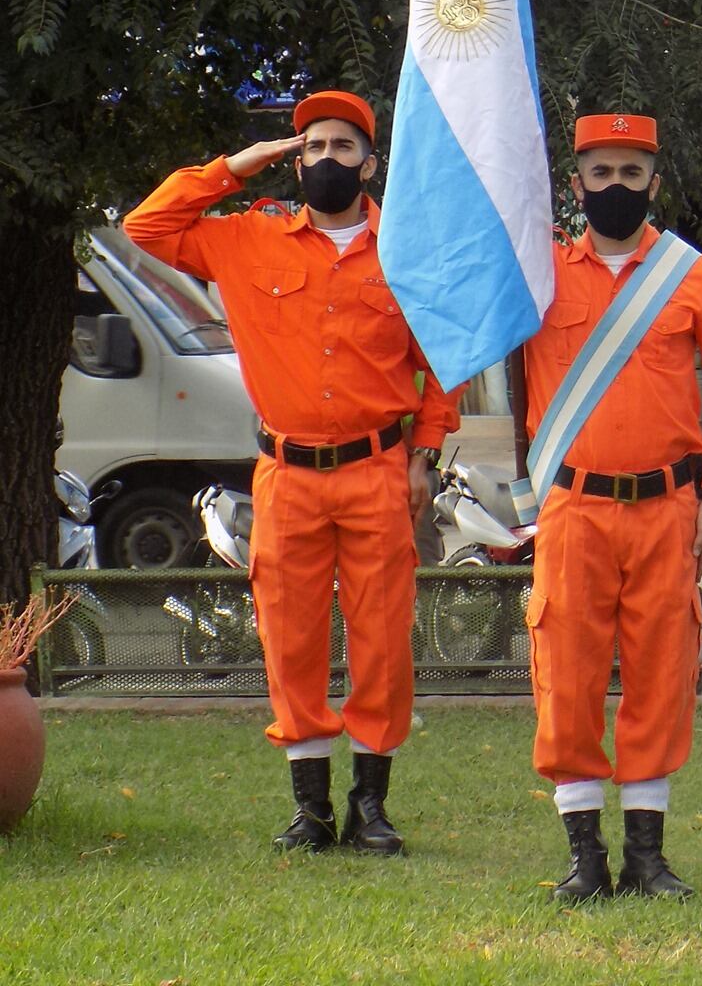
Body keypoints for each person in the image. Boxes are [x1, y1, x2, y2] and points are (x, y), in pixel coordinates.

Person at [124, 90, 458, 856]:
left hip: (377, 470)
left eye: (345, 147)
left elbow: (442, 366)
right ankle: (309, 808)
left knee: (381, 639)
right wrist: (237, 166)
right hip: (287, 473)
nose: (328, 160)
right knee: (291, 637)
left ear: (371, 162)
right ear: (294, 160)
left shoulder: (407, 250)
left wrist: (426, 452)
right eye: (312, 147)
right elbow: (149, 225)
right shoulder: (247, 240)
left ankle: (370, 806)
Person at [522, 114, 702, 900]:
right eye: (599, 172)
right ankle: (585, 857)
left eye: (630, 173)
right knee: (568, 674)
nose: (614, 187)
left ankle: (647, 858)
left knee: (661, 675)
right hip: (574, 508)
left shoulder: (700, 277)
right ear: (576, 182)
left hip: (668, 508)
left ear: (655, 183)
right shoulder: (537, 272)